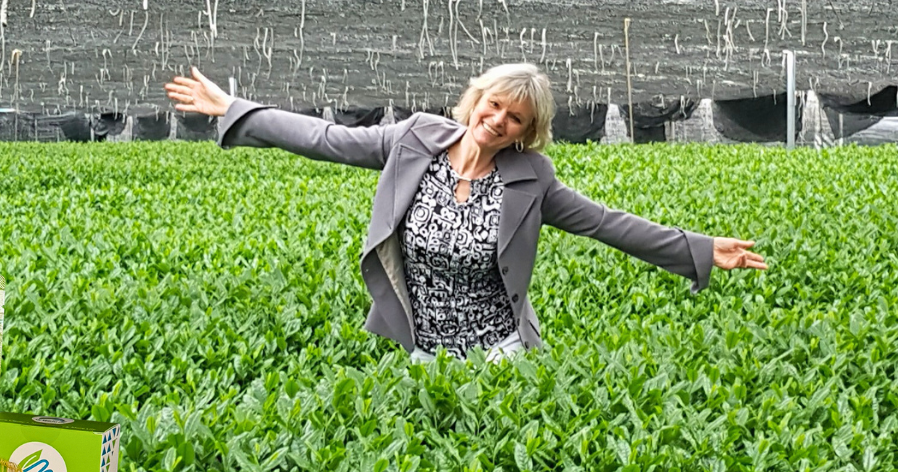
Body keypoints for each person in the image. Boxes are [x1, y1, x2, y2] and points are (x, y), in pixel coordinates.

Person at [164, 62, 768, 361]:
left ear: (526, 133)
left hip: (499, 353)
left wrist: (697, 246)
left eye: (516, 119)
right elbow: (326, 138)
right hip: (421, 347)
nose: (499, 120)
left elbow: (606, 223)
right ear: (477, 99)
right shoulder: (415, 140)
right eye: (496, 105)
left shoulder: (531, 179)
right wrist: (235, 108)